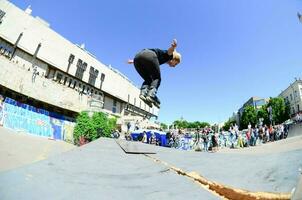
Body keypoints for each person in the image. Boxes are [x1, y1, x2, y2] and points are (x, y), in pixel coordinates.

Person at [128, 39, 181, 107]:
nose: (174, 66)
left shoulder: (160, 58)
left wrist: (133, 61)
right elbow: (170, 51)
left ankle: (143, 93)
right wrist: (173, 47)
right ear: (174, 59)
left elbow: (143, 57)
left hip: (137, 58)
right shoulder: (168, 56)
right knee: (157, 78)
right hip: (149, 55)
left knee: (148, 79)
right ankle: (151, 95)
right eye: (175, 64)